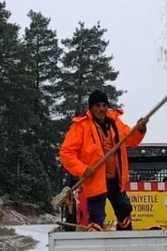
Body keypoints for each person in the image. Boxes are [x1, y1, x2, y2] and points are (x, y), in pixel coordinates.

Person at [60, 90, 147, 231]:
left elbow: (131, 139)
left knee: (125, 212)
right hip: (95, 180)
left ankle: (125, 245)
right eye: (98, 106)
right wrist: (82, 169)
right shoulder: (81, 126)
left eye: (104, 105)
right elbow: (66, 153)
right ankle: (96, 249)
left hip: (116, 180)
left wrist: (140, 130)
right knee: (97, 218)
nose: (101, 109)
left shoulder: (116, 123)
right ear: (91, 108)